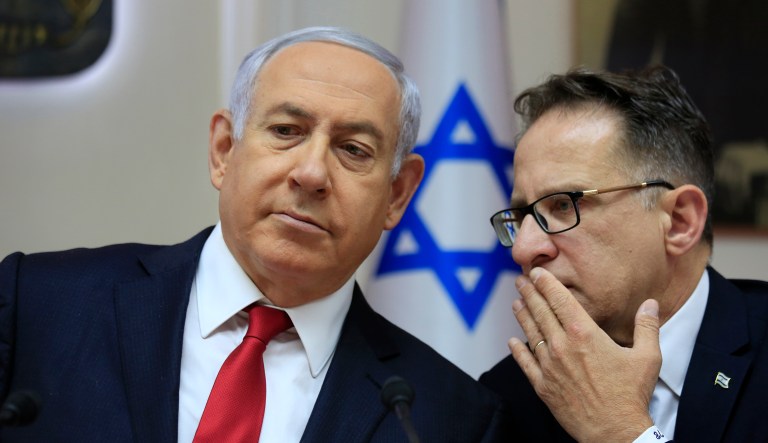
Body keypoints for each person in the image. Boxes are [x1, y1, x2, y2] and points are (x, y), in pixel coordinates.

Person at [0, 27, 508, 442]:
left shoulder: (448, 417)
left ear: (397, 194)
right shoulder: (38, 305)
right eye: (287, 131)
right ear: (224, 150)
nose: (311, 174)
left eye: (353, 149)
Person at [480, 66, 768, 442]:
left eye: (564, 205)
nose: (523, 248)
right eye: (521, 215)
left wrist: (620, 431)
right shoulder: (508, 396)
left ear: (679, 222)